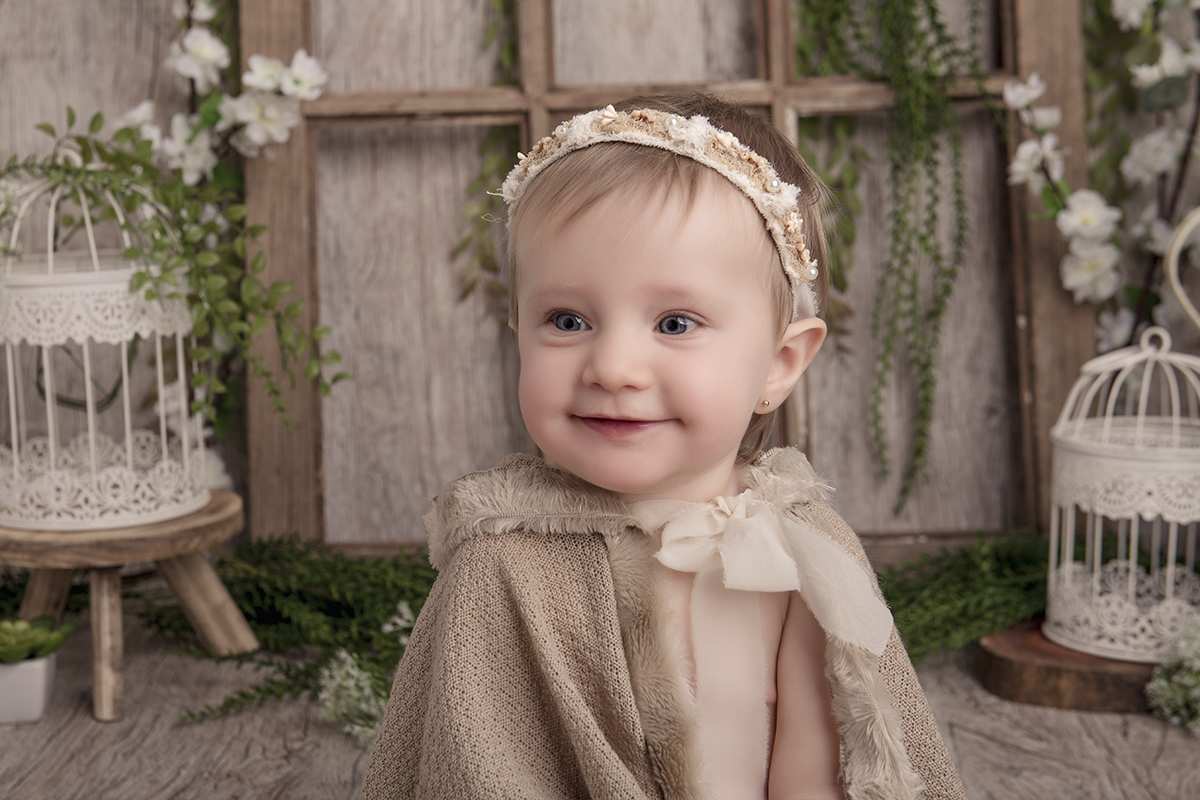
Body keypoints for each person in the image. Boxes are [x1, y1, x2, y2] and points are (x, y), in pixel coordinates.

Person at [359, 93, 966, 800]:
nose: (614, 368)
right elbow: (478, 766)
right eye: (567, 319)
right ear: (517, 328)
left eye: (675, 323)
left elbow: (833, 764)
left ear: (778, 365)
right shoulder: (502, 568)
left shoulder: (802, 554)